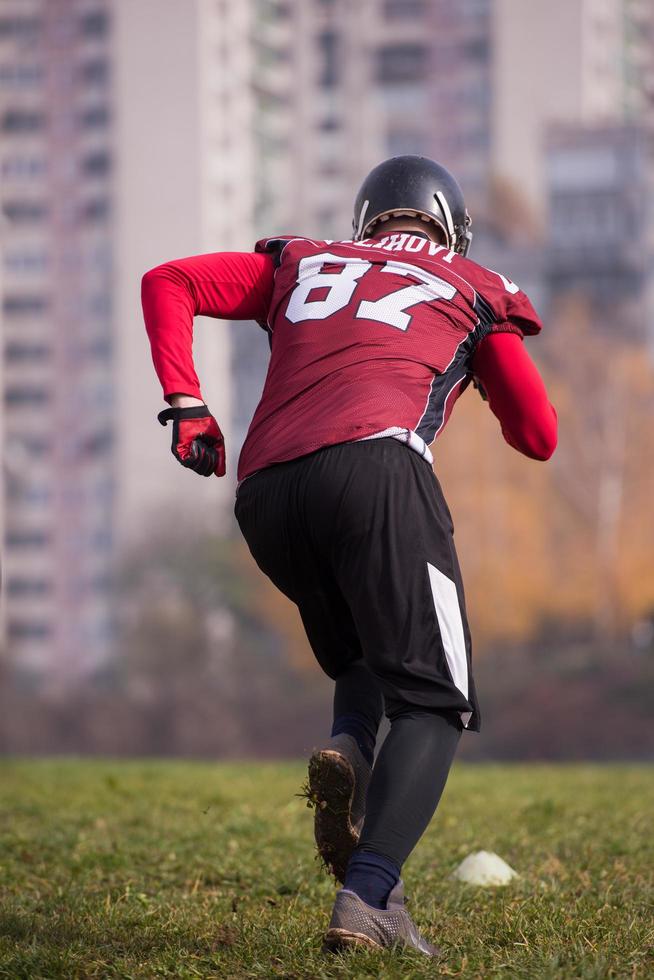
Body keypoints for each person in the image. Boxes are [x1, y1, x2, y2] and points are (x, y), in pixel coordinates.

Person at [141, 155, 557, 957]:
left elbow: (170, 280)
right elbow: (538, 436)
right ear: (450, 226)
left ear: (367, 221)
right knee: (438, 699)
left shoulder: (303, 259)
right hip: (378, 473)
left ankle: (349, 750)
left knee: (367, 655)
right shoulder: (470, 281)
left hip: (268, 493)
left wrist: (187, 401)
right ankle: (368, 900)